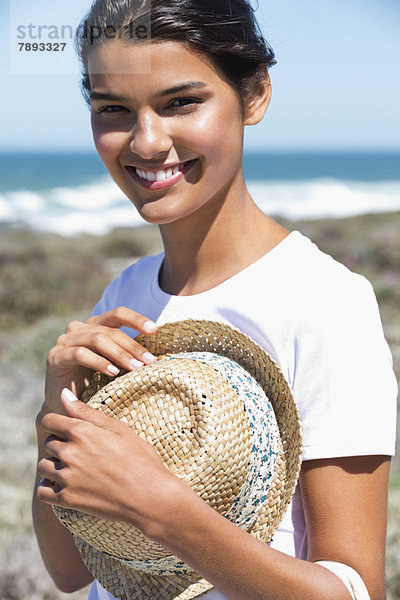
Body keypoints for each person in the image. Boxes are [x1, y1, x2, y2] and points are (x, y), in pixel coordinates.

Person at [32, 1, 397, 599]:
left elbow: (355, 590)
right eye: (114, 110)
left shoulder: (324, 303)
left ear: (254, 95)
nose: (147, 142)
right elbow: (71, 572)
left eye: (181, 102)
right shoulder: (124, 293)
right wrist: (56, 406)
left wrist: (162, 510)